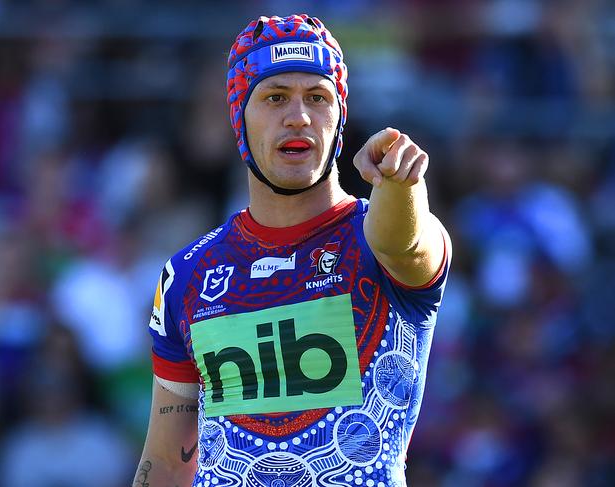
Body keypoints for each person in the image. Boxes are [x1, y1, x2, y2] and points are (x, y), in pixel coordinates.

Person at [134, 14, 451, 487]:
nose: (299, 116)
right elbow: (165, 461)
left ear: (340, 114)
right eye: (275, 97)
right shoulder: (188, 273)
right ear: (239, 114)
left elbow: (400, 239)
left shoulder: (377, 235)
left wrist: (398, 181)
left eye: (317, 98)